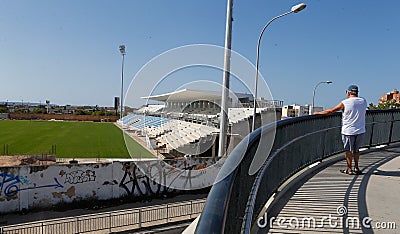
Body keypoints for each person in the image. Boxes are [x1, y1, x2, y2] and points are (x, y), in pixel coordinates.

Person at [314, 85, 367, 175]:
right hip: (360, 130)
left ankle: (349, 169)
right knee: (356, 150)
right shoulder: (363, 101)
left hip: (348, 131)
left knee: (348, 150)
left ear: (348, 92)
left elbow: (331, 110)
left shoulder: (345, 103)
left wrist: (318, 113)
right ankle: (357, 168)